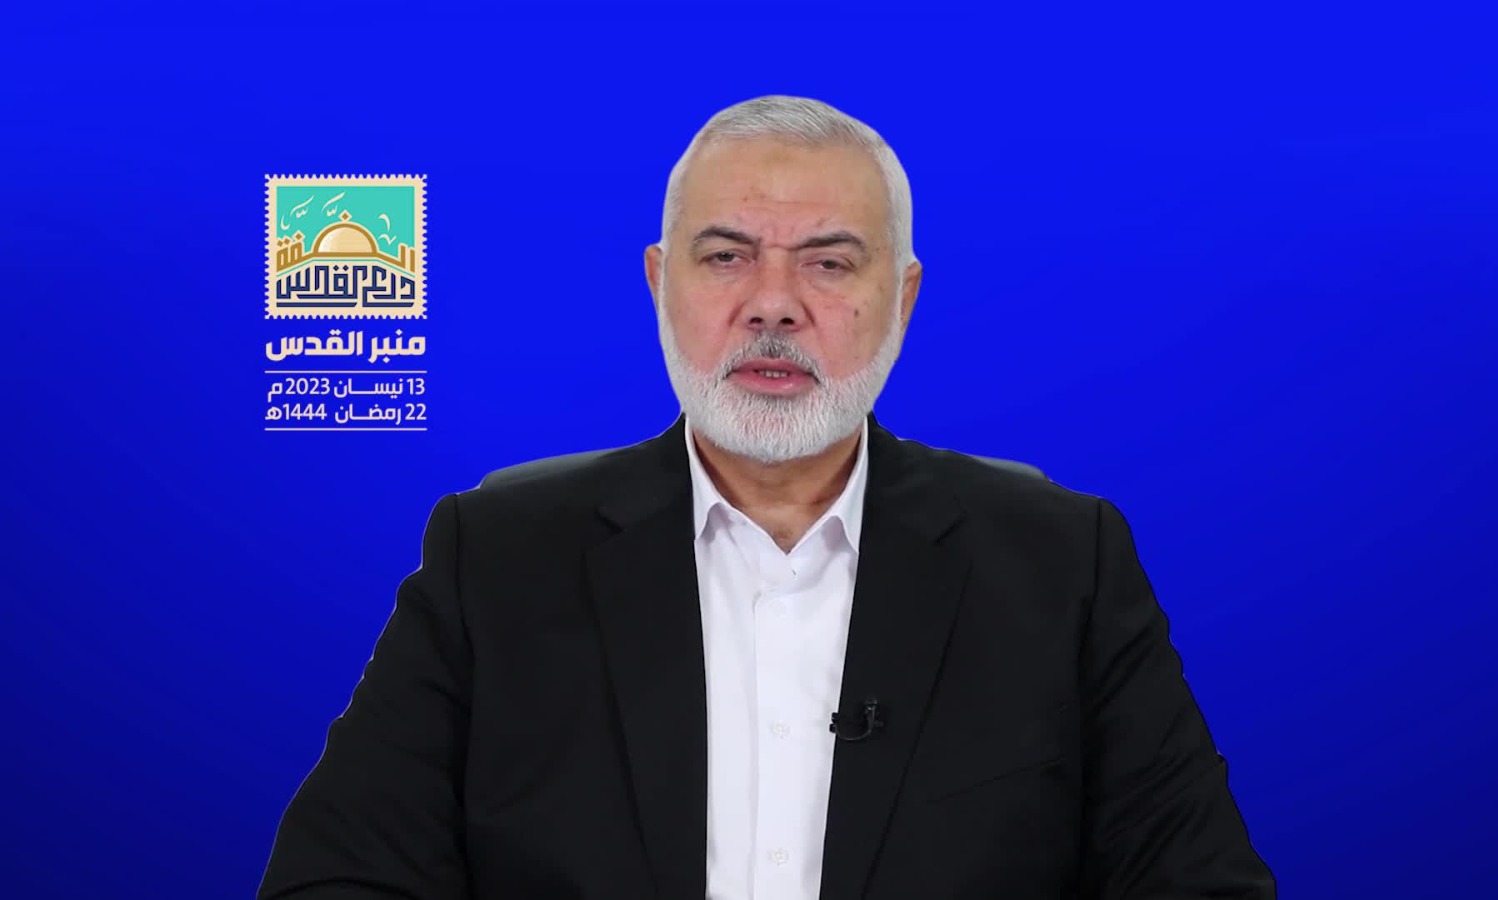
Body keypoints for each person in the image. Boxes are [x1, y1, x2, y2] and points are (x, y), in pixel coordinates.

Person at [259, 95, 1275, 899]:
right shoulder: (496, 556)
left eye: (828, 263)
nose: (774, 305)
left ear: (903, 299)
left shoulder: (1060, 563)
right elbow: (337, 878)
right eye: (726, 257)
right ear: (659, 283)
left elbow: (1195, 882)